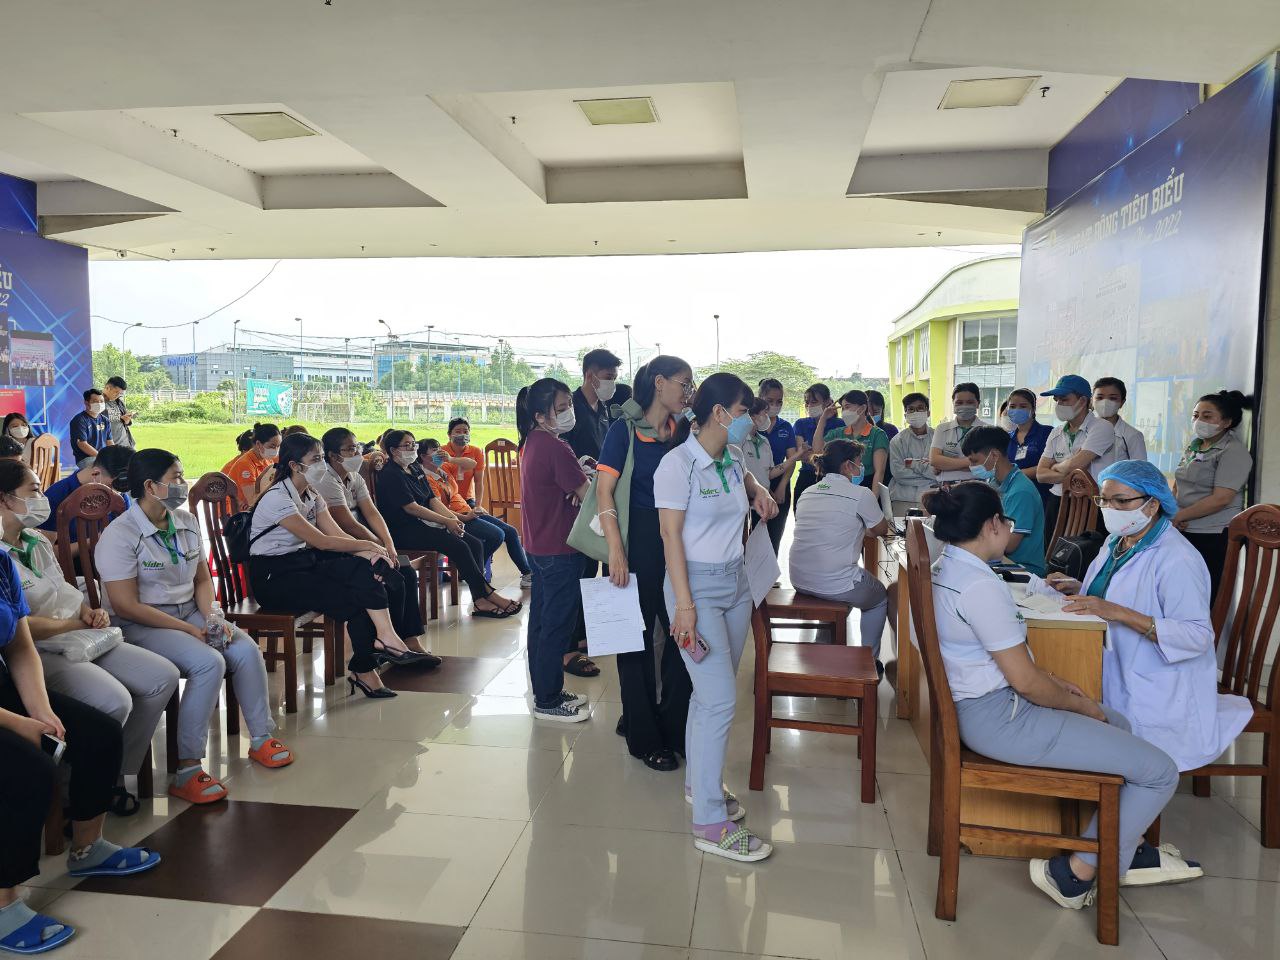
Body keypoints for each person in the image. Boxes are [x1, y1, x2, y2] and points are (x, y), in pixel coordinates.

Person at [922, 481, 1181, 910]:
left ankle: (1119, 842)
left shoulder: (948, 567)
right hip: (1000, 718)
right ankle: (1075, 873)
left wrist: (1056, 681)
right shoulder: (979, 585)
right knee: (1160, 772)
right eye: (1005, 519)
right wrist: (1081, 704)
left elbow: (1008, 665)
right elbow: (1024, 683)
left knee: (1119, 724)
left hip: (985, 707)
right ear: (992, 526)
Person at [1042, 459, 1249, 884]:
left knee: (1129, 759)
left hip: (1160, 684)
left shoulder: (1177, 559)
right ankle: (1127, 847)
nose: (1109, 508)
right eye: (1104, 499)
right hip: (1117, 666)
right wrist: (1081, 590)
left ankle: (1115, 853)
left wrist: (1116, 611)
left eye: (1121, 500)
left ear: (1152, 505)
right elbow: (1111, 591)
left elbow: (1196, 635)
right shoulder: (1121, 541)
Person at [100, 448, 293, 803]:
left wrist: (211, 617)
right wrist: (191, 631)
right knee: (209, 663)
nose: (181, 483)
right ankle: (187, 767)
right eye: (175, 477)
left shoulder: (185, 522)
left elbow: (203, 580)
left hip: (190, 612)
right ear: (149, 485)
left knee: (246, 650)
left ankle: (262, 737)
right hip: (143, 625)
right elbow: (126, 605)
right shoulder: (121, 534)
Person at [0, 546, 162, 956]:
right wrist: (20, 724)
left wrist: (41, 711)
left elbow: (19, 646)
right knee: (27, 771)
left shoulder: (2, 562)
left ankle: (88, 848)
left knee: (99, 734)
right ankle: (3, 904)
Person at [0, 460, 178, 813]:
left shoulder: (35, 540)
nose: (42, 498)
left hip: (82, 635)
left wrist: (86, 611)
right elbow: (23, 629)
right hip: (45, 649)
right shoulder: (3, 557)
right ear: (5, 500)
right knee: (115, 701)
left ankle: (111, 778)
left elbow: (64, 587)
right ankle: (74, 793)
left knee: (163, 677)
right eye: (33, 491)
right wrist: (75, 625)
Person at [656, 372, 779, 863]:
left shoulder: (731, 457)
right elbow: (670, 539)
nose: (754, 418)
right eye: (746, 409)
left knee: (710, 695)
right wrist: (684, 607)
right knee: (720, 702)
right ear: (719, 413)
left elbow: (742, 475)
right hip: (695, 592)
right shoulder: (677, 465)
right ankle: (709, 821)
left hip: (734, 584)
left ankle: (696, 782)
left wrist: (758, 492)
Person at [249, 433, 435, 702]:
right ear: (294, 465)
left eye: (323, 458)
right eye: (315, 460)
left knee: (365, 574)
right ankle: (381, 648)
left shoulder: (311, 494)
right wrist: (368, 547)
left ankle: (374, 656)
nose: (322, 465)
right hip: (274, 577)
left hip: (303, 564)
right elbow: (322, 541)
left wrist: (370, 551)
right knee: (360, 591)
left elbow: (337, 534)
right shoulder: (278, 497)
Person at [596, 356, 693, 769]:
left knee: (680, 637)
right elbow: (605, 493)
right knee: (633, 642)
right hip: (636, 548)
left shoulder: (684, 431)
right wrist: (616, 552)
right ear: (659, 382)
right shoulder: (624, 431)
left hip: (678, 547)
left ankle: (672, 726)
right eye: (683, 383)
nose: (689, 392)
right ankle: (643, 736)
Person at [315, 427, 439, 666]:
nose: (356, 452)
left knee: (404, 570)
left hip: (364, 543)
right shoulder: (326, 480)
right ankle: (392, 644)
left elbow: (372, 512)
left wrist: (388, 544)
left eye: (357, 447)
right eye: (349, 449)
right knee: (389, 574)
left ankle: (408, 639)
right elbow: (347, 523)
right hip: (341, 547)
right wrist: (376, 547)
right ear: (333, 455)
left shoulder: (355, 477)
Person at [376, 430, 521, 619]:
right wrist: (446, 521)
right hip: (405, 529)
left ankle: (480, 600)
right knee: (458, 546)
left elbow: (432, 500)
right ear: (394, 450)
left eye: (414, 444)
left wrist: (453, 520)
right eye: (407, 445)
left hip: (425, 523)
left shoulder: (415, 468)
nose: (412, 448)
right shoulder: (391, 474)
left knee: (474, 543)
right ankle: (488, 594)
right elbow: (411, 508)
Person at [518, 377, 594, 723]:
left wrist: (580, 478)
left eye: (569, 406)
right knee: (556, 626)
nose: (568, 414)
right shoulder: (555, 447)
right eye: (561, 409)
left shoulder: (534, 442)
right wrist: (588, 481)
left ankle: (547, 689)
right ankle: (547, 699)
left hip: (539, 544)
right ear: (540, 415)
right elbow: (586, 493)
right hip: (559, 548)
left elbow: (570, 485)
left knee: (542, 622)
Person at [789, 439, 891, 670]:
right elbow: (881, 529)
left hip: (799, 578)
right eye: (858, 463)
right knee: (877, 598)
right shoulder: (860, 494)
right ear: (847, 466)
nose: (860, 468)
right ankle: (868, 660)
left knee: (839, 584)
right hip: (833, 583)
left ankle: (822, 645)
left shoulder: (807, 492)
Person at [416, 438, 533, 589]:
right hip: (455, 516)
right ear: (423, 456)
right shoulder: (426, 478)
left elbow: (472, 464)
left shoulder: (443, 469)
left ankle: (527, 574)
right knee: (497, 535)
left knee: (510, 532)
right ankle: (472, 568)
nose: (439, 452)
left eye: (439, 448)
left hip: (467, 510)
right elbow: (438, 507)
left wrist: (451, 458)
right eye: (434, 450)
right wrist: (465, 517)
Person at [1172, 389, 1253, 602]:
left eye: (1207, 416)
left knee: (1202, 597)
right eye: (1196, 415)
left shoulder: (1233, 450)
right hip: (1184, 529)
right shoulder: (1195, 445)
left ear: (1226, 422)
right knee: (1179, 593)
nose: (1199, 421)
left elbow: (1221, 498)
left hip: (1213, 534)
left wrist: (1180, 516)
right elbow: (1179, 484)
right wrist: (1174, 512)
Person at [1037, 374, 1116, 534]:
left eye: (1064, 399)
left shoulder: (1102, 427)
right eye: (1057, 400)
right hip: (1058, 500)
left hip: (1091, 503)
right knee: (1052, 555)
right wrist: (1069, 470)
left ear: (1083, 401)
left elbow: (1075, 466)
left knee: (1086, 556)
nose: (1059, 404)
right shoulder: (1056, 432)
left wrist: (1057, 466)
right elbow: (1040, 474)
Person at [962, 426, 1046, 575]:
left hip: (1023, 569)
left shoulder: (1021, 491)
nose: (972, 467)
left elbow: (1009, 545)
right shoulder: (994, 483)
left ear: (994, 455)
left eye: (975, 461)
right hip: (999, 560)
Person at [38, 446, 134, 549]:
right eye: (113, 487)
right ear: (96, 473)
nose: (116, 494)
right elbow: (46, 552)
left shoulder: (120, 496)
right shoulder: (57, 495)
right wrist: (95, 540)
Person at [812, 389, 890, 495]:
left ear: (862, 408)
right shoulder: (838, 433)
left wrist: (873, 499)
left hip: (867, 485)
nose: (844, 412)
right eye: (843, 408)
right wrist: (823, 417)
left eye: (847, 407)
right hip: (838, 487)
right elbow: (817, 450)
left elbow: (879, 472)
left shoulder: (877, 434)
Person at [564, 348, 633, 463]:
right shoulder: (569, 406)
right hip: (577, 477)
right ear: (590, 375)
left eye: (614, 379)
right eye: (608, 378)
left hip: (600, 476)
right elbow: (561, 450)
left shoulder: (604, 408)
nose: (612, 383)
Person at [756, 378, 801, 554]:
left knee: (775, 534)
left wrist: (781, 487)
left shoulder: (786, 427)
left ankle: (770, 579)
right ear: (760, 398)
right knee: (755, 536)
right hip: (756, 484)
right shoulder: (753, 424)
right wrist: (762, 489)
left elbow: (791, 459)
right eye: (770, 401)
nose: (775, 405)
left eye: (779, 401)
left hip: (780, 483)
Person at [929, 382, 988, 483]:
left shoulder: (988, 430)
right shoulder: (942, 429)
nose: (964, 406)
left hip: (977, 487)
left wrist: (946, 465)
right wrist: (970, 462)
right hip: (946, 487)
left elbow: (986, 466)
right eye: (959, 403)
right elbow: (934, 461)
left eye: (969, 402)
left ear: (978, 403)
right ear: (953, 403)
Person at [888, 392, 936, 516]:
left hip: (932, 500)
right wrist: (929, 477)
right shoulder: (897, 441)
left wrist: (913, 464)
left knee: (931, 535)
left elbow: (940, 472)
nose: (916, 412)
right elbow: (899, 474)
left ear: (928, 412)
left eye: (920, 408)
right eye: (911, 409)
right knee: (901, 534)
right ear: (906, 415)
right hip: (902, 500)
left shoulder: (939, 438)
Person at [1004, 387, 1053, 507]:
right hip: (1014, 496)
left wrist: (1016, 474)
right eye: (1013, 406)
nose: (1017, 410)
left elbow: (1051, 464)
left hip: (1041, 496)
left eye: (1023, 406)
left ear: (1033, 409)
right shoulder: (1006, 438)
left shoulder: (1047, 433)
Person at [791, 383, 833, 510]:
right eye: (807, 402)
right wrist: (821, 457)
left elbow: (835, 456)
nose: (809, 406)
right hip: (806, 478)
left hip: (830, 479)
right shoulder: (801, 424)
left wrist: (812, 453)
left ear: (827, 402)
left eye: (814, 402)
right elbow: (801, 454)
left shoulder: (839, 424)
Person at [225, 423, 282, 507]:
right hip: (238, 513)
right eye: (272, 446)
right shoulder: (245, 465)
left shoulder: (267, 459)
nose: (275, 450)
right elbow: (252, 501)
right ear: (258, 444)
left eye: (278, 446)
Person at [1093, 378, 1147, 463]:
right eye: (1100, 397)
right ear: (1092, 400)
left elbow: (1140, 470)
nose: (1105, 403)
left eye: (1112, 398)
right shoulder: (1084, 430)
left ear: (1122, 402)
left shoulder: (1133, 436)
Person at [440, 418, 486, 508]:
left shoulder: (476, 452)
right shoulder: (441, 452)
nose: (462, 434)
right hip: (446, 500)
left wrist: (478, 506)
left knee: (486, 518)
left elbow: (479, 482)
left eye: (466, 432)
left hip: (467, 500)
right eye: (458, 431)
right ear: (449, 435)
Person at [69, 389, 113, 468]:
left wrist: (114, 454)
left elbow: (109, 441)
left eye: (102, 401)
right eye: (95, 401)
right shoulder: (80, 420)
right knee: (105, 469)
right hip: (86, 459)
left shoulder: (105, 420)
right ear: (87, 403)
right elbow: (82, 444)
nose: (99, 404)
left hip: (102, 457)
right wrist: (101, 457)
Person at [102, 376, 135, 450]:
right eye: (116, 392)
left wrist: (127, 420)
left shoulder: (119, 402)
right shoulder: (98, 402)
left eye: (120, 393)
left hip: (127, 444)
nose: (118, 395)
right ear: (107, 388)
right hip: (109, 447)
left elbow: (126, 422)